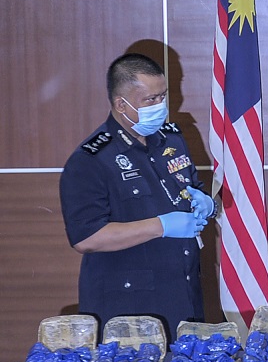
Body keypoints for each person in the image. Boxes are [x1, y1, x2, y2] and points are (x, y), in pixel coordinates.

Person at [60, 53, 214, 339]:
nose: (161, 106)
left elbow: (190, 186)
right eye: (150, 100)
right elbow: (86, 238)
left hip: (183, 291)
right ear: (122, 104)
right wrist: (161, 226)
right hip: (130, 307)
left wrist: (206, 203)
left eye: (163, 96)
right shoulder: (91, 159)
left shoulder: (172, 139)